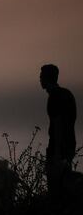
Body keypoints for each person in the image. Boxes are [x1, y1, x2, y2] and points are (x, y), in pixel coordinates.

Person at [40, 64, 77, 204]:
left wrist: (55, 153)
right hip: (70, 144)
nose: (39, 80)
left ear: (47, 78)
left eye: (41, 77)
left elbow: (58, 125)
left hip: (58, 147)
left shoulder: (54, 97)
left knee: (55, 185)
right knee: (65, 181)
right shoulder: (67, 94)